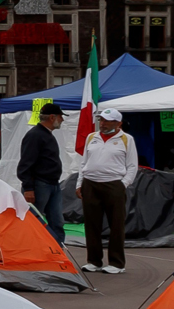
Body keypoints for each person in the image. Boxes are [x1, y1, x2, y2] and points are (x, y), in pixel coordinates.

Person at [77, 107, 136, 274]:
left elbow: (132, 165)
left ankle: (117, 263)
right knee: (91, 224)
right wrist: (79, 183)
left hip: (114, 184)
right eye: (101, 120)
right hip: (90, 183)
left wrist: (123, 184)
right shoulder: (91, 137)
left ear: (118, 123)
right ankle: (94, 261)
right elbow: (84, 163)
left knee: (116, 224)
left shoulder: (126, 139)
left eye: (106, 121)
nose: (102, 124)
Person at [19, 102, 67, 243]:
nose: (62, 120)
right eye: (60, 117)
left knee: (57, 221)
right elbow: (25, 164)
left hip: (52, 184)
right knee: (35, 221)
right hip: (39, 184)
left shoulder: (46, 135)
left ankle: (58, 252)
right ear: (52, 117)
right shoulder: (35, 135)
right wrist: (28, 188)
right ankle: (30, 250)